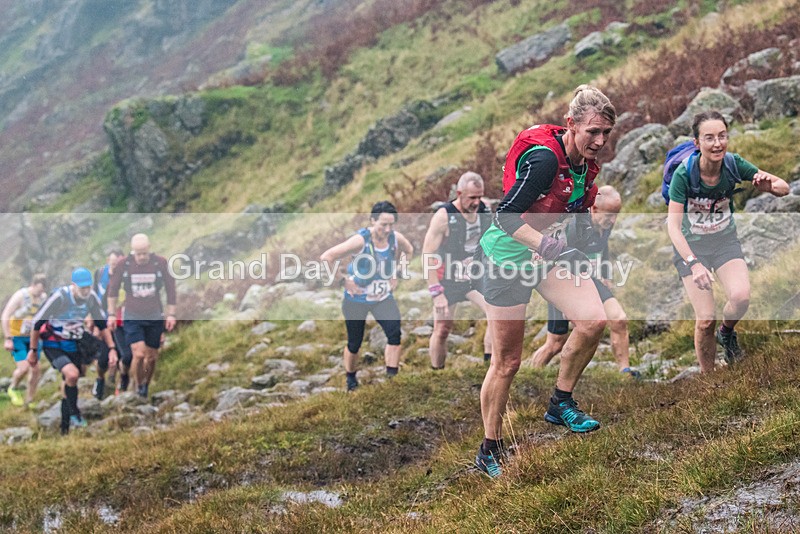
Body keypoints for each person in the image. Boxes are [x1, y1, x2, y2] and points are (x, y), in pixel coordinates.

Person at [473, 85, 615, 477]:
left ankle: (560, 402)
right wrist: (550, 247)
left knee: (593, 321)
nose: (600, 141)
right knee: (507, 362)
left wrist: (585, 253)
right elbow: (505, 215)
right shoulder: (544, 160)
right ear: (571, 125)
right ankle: (490, 448)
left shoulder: (586, 168)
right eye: (592, 132)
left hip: (543, 253)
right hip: (506, 258)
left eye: (606, 133)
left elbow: (577, 217)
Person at [667, 110, 789, 373]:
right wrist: (694, 264)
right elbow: (673, 227)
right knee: (705, 320)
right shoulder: (684, 174)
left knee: (741, 297)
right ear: (697, 144)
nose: (717, 143)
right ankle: (709, 378)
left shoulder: (734, 164)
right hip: (691, 247)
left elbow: (784, 187)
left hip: (724, 242)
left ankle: (727, 332)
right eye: (709, 138)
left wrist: (768, 186)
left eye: (722, 136)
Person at [530, 185, 635, 377]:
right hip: (564, 283)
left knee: (619, 319)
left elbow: (603, 248)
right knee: (555, 343)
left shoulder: (606, 224)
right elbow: (557, 260)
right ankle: (531, 374)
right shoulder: (574, 226)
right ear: (594, 209)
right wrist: (566, 301)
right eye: (610, 215)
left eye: (617, 215)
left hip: (592, 279)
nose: (613, 220)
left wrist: (605, 272)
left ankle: (625, 372)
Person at [320, 201, 414, 391]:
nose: (387, 229)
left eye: (391, 224)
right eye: (383, 225)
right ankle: (351, 379)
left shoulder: (395, 238)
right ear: (372, 221)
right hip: (357, 299)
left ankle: (392, 380)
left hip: (382, 297)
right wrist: (343, 281)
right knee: (354, 343)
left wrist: (397, 272)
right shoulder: (361, 240)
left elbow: (409, 250)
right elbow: (327, 257)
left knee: (394, 334)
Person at [28, 268, 117, 433]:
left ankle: (65, 427)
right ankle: (75, 412)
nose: (85, 291)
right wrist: (33, 350)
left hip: (75, 343)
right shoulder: (60, 297)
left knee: (71, 380)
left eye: (88, 287)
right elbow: (37, 323)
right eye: (82, 287)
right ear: (73, 285)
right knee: (72, 374)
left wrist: (112, 348)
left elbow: (102, 325)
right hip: (53, 343)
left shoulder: (91, 298)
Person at [421, 172, 493, 369]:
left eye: (479, 196)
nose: (476, 202)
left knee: (495, 313)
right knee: (442, 328)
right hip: (448, 279)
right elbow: (428, 254)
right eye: (472, 198)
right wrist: (436, 292)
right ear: (459, 193)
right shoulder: (444, 217)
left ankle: (489, 369)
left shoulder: (484, 208)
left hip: (475, 277)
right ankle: (437, 373)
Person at [106, 234, 177, 398]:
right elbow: (113, 290)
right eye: (138, 254)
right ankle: (138, 385)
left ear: (149, 249)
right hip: (132, 315)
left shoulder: (160, 263)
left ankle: (145, 384)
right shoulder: (124, 264)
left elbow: (170, 289)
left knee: (151, 357)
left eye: (144, 253)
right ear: (133, 251)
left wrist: (171, 314)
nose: (142, 257)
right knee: (138, 353)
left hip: (154, 315)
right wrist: (111, 314)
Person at [2, 274, 47, 406]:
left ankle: (30, 399)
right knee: (24, 368)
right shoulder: (20, 296)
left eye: (42, 291)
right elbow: (5, 315)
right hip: (17, 337)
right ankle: (13, 387)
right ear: (33, 285)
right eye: (38, 290)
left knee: (36, 369)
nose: (40, 294)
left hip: (33, 338)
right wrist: (7, 338)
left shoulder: (43, 298)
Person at [91, 249, 129, 399]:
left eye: (117, 265)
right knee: (103, 358)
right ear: (108, 261)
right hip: (103, 322)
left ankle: (119, 386)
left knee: (122, 355)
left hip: (120, 322)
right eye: (112, 264)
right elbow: (93, 298)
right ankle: (100, 380)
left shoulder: (126, 277)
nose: (114, 268)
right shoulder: (100, 273)